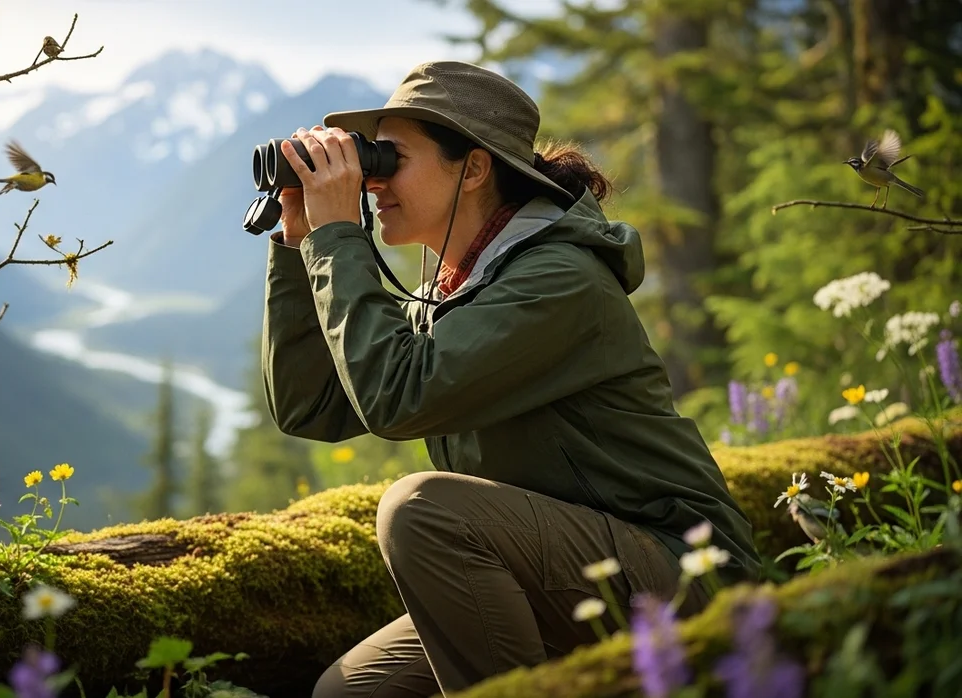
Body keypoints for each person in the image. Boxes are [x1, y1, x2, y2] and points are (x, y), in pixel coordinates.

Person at [258, 60, 760, 698]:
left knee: (419, 510)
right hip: (559, 571)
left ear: (473, 169)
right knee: (349, 693)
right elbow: (311, 405)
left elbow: (397, 399)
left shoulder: (558, 279)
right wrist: (299, 243)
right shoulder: (453, 290)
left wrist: (338, 236)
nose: (372, 181)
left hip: (685, 573)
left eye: (391, 159)